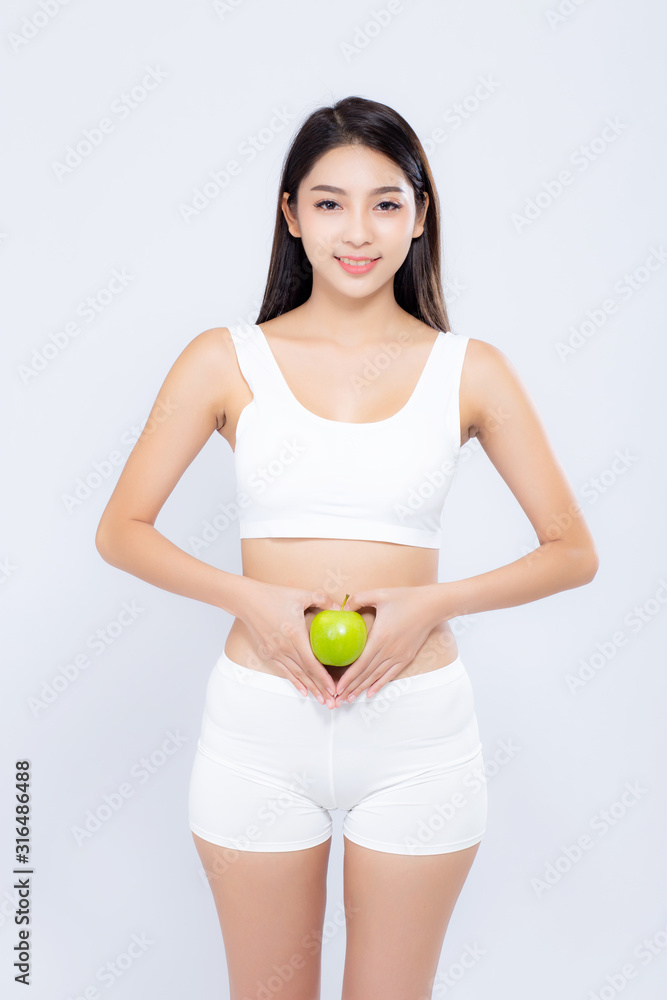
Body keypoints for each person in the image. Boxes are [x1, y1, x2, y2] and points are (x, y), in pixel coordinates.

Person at [95, 95, 599, 1000]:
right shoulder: (224, 360)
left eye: (385, 202)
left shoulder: (468, 369)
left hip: (417, 737)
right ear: (289, 214)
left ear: (420, 211)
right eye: (328, 203)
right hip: (258, 728)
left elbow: (571, 551)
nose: (357, 230)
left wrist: (430, 606)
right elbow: (120, 530)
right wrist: (249, 600)